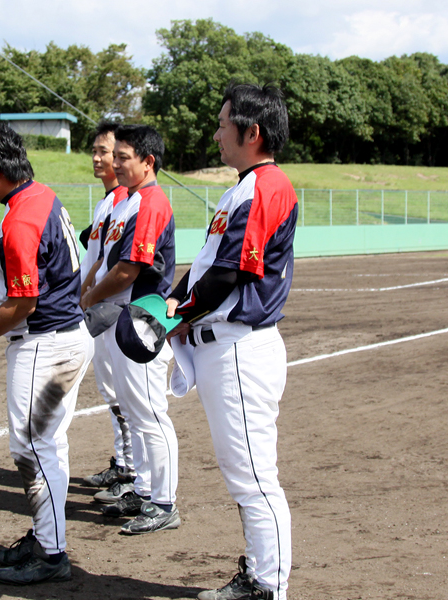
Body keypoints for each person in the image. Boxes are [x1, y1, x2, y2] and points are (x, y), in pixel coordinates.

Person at [0, 119, 93, 586]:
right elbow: (28, 268)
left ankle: (50, 554)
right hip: (63, 338)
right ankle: (46, 537)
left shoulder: (21, 216)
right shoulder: (37, 197)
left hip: (45, 344)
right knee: (45, 447)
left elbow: (23, 301)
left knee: (33, 449)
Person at [165, 83, 296, 600]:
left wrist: (178, 313)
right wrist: (166, 305)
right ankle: (262, 577)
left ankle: (268, 586)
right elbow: (206, 267)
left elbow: (231, 274)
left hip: (241, 347)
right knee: (245, 474)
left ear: (252, 132)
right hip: (224, 346)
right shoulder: (242, 188)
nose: (217, 133)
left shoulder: (265, 186)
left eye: (224, 124)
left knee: (254, 478)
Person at [80, 124, 179, 535]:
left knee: (151, 415)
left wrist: (87, 299)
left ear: (147, 162)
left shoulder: (151, 203)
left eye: (123, 157)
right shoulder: (130, 202)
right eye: (114, 156)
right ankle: (142, 488)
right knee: (137, 413)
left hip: (141, 322)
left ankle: (164, 502)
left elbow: (127, 270)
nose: (116, 164)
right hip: (123, 322)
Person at [79, 121, 136, 502]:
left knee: (122, 394)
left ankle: (132, 469)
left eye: (108, 152)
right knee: (110, 391)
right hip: (97, 305)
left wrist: (85, 294)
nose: (100, 159)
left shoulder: (124, 200)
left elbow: (110, 264)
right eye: (97, 151)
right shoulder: (107, 201)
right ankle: (123, 462)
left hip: (112, 310)